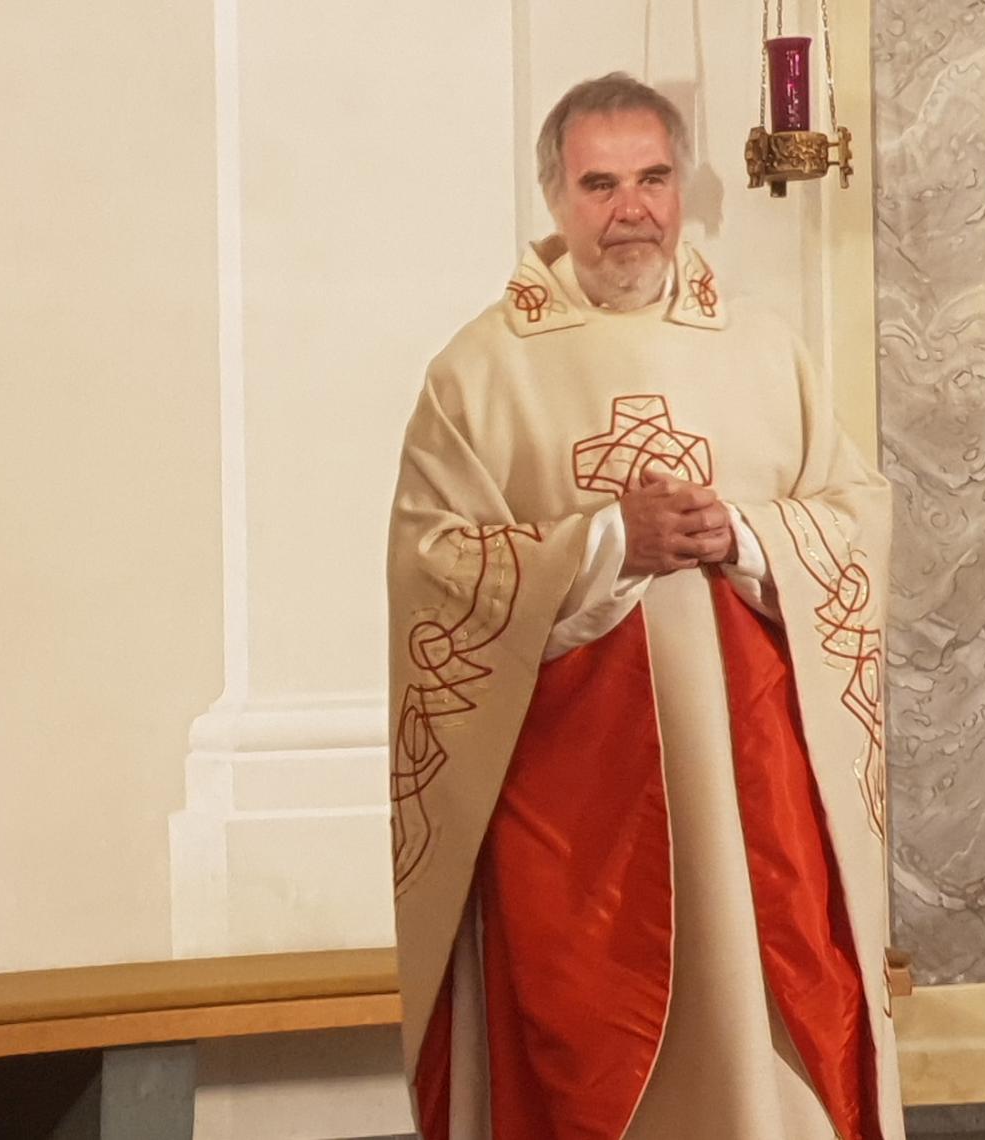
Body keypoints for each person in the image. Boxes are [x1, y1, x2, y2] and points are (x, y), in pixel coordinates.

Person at [385, 72, 902, 1140]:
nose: (631, 210)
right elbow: (436, 566)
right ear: (555, 197)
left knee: (770, 1030)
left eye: (654, 179)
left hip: (754, 792)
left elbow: (856, 518)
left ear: (681, 189)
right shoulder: (480, 372)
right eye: (601, 184)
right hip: (579, 809)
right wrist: (610, 542)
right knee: (590, 1045)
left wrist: (747, 535)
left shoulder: (763, 348)